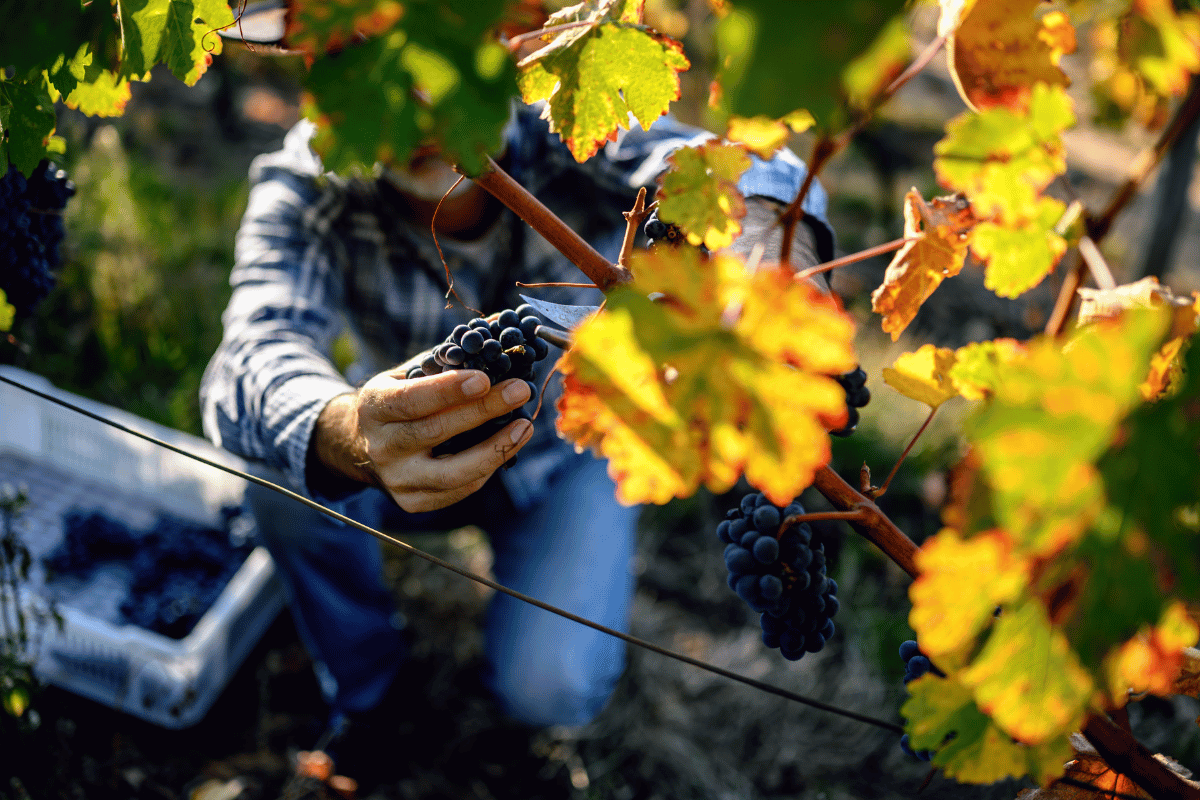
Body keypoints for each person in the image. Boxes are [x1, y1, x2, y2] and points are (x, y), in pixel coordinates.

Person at [199, 99, 834, 785]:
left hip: (568, 457)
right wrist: (345, 432)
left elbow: (756, 167)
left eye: (446, 64)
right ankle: (368, 693)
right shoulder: (314, 172)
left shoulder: (573, 115)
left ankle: (522, 705)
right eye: (386, 73)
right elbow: (252, 353)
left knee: (553, 689)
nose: (420, 112)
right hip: (403, 453)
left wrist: (771, 246)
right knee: (281, 466)